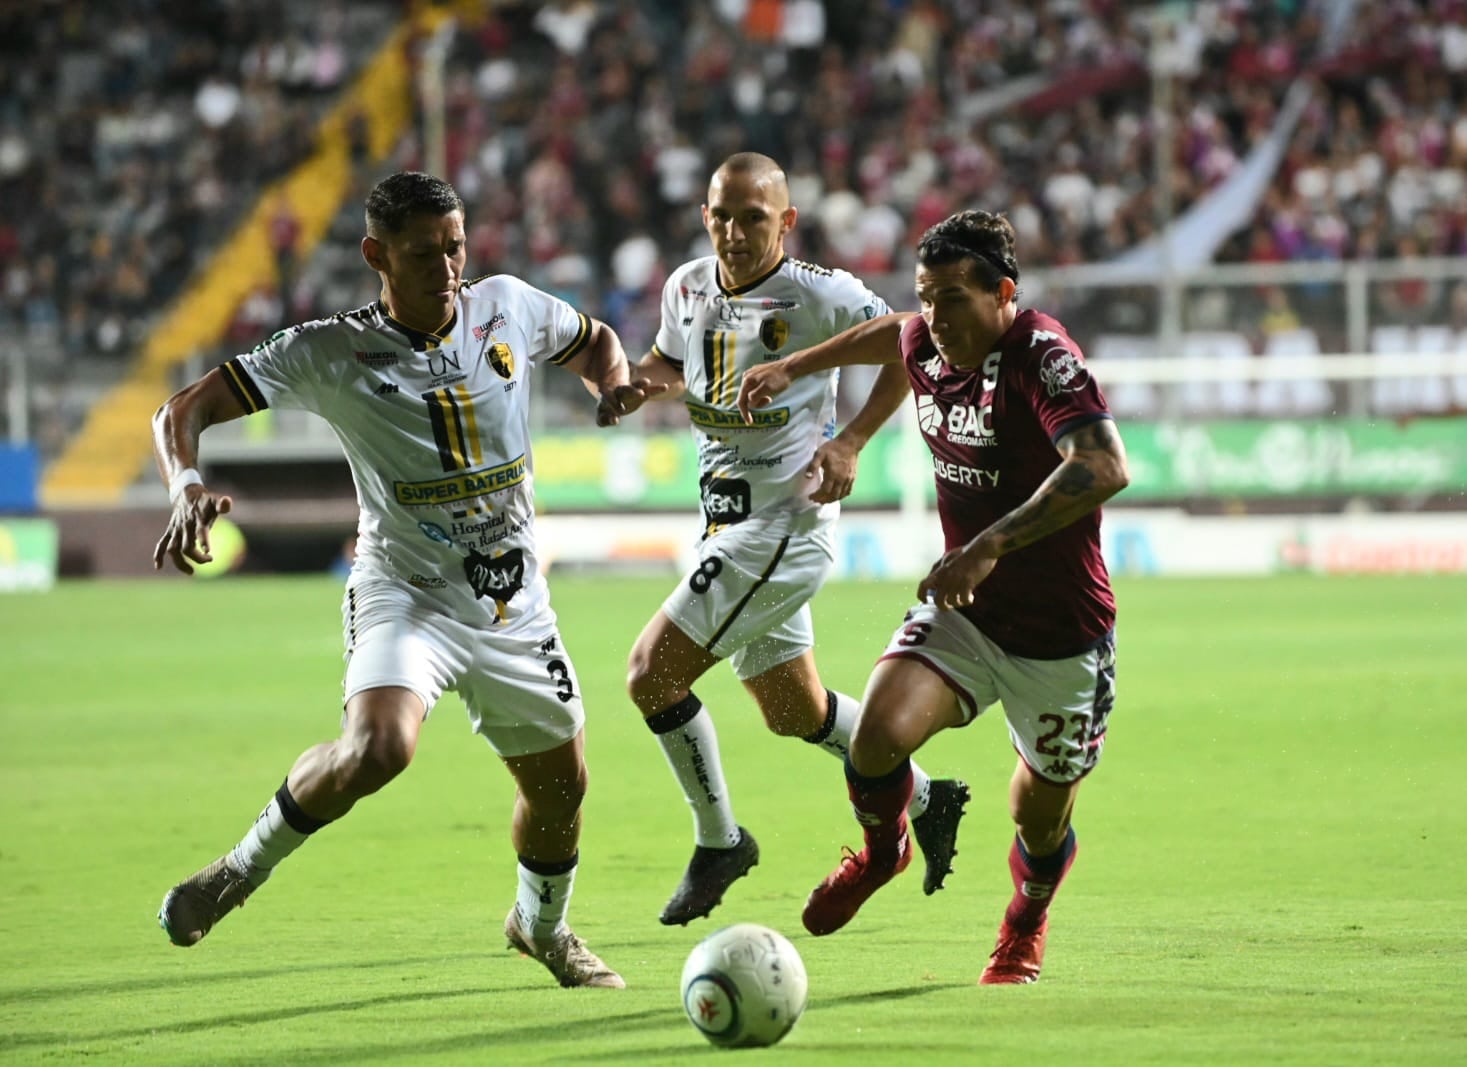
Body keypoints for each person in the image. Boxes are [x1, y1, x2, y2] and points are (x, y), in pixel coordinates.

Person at [151, 171, 661, 989]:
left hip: (510, 601)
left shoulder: (510, 306)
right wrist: (184, 485)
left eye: (455, 245)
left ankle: (540, 925)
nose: (447, 265)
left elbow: (597, 340)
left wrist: (614, 381)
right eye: (424, 252)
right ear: (375, 254)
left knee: (562, 786)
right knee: (379, 746)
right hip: (405, 589)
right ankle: (237, 871)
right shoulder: (327, 349)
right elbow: (181, 409)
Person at [737, 209, 1130, 984]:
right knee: (875, 737)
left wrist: (985, 545)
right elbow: (891, 333)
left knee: (1037, 814)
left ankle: (1024, 920)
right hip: (965, 614)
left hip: (1059, 634)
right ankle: (884, 851)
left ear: (1004, 293)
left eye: (954, 298)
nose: (935, 316)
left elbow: (1104, 465)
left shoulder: (1041, 355)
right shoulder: (925, 336)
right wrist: (799, 365)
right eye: (926, 296)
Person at [609, 152, 969, 926]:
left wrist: (853, 442)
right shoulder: (686, 286)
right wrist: (635, 385)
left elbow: (914, 339)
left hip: (785, 522)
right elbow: (671, 364)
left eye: (752, 218)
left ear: (787, 221)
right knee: (791, 709)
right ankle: (932, 797)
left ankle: (720, 840)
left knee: (650, 674)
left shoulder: (817, 294)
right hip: (722, 521)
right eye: (720, 215)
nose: (733, 233)